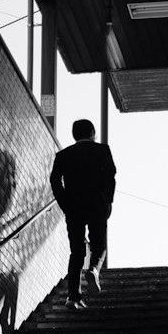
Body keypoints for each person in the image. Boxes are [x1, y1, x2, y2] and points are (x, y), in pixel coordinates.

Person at [49, 119, 117, 309]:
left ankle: (73, 296)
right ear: (93, 132)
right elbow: (110, 175)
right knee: (99, 243)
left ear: (74, 135)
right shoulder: (102, 150)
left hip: (74, 206)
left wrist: (65, 203)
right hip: (97, 204)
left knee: (77, 251)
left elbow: (54, 180)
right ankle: (94, 269)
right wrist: (107, 200)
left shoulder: (63, 155)